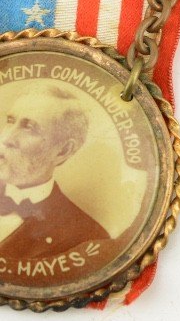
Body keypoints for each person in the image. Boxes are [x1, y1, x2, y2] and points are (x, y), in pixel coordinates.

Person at [0, 83, 109, 259]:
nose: (6, 138)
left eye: (29, 127)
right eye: (10, 121)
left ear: (63, 151)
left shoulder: (89, 237)